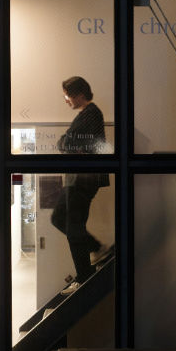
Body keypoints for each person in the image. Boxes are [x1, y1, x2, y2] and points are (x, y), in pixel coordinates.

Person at [51, 76, 112, 284]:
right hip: (77, 178)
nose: (66, 100)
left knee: (74, 229)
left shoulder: (91, 113)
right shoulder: (86, 115)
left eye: (67, 96)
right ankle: (96, 248)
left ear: (79, 94)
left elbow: (66, 142)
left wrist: (69, 144)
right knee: (58, 218)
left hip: (82, 178)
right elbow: (64, 143)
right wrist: (68, 144)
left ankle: (84, 277)